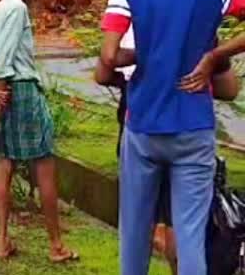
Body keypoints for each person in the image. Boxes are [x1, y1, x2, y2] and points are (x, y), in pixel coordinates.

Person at [98, 0, 245, 275]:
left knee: (134, 232)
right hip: (193, 125)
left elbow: (109, 57)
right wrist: (213, 56)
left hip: (143, 123)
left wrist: (145, 55)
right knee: (191, 235)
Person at [96, 25, 240, 274]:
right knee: (186, 228)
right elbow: (229, 90)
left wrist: (133, 80)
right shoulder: (200, 30)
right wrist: (212, 61)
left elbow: (103, 73)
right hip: (188, 133)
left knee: (137, 225)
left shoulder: (135, 24)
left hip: (138, 134)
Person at [0, 0, 76, 263]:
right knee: (44, 165)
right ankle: (56, 245)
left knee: (6, 163)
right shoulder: (17, 10)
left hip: (1, 89)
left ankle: (3, 241)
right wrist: (2, 87)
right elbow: (4, 56)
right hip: (20, 90)